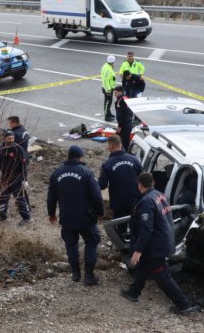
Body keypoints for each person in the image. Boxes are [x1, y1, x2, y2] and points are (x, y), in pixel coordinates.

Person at [120, 172, 201, 314]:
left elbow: (146, 228)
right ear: (153, 183)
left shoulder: (145, 202)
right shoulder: (160, 195)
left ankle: (183, 305)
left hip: (155, 246)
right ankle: (133, 293)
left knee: (162, 276)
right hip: (162, 241)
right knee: (142, 267)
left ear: (140, 185)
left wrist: (138, 251)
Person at [47, 145, 104, 285]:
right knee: (91, 242)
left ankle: (75, 273)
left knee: (71, 244)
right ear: (80, 157)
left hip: (66, 217)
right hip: (86, 217)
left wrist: (52, 214)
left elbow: (51, 197)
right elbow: (97, 196)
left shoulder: (57, 173)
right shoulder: (86, 172)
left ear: (68, 156)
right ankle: (89, 275)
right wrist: (101, 212)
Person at [98, 135, 142, 235]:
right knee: (135, 227)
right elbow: (143, 178)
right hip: (135, 201)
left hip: (118, 203)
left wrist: (90, 185)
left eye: (108, 146)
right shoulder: (134, 160)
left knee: (121, 228)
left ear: (111, 147)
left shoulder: (107, 164)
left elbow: (102, 184)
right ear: (121, 145)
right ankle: (136, 247)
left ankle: (123, 249)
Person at [0, 130, 31, 225]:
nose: (11, 140)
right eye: (9, 138)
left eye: (12, 138)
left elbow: (24, 164)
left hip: (16, 178)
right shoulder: (1, 148)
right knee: (2, 198)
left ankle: (27, 218)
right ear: (4, 138)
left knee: (19, 198)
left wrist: (24, 179)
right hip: (5, 178)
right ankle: (2, 216)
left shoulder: (18, 148)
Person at [114, 85, 135, 150]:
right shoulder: (126, 98)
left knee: (120, 141)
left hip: (124, 125)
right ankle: (127, 152)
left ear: (120, 92)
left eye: (116, 93)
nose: (114, 95)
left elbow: (121, 115)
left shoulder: (120, 101)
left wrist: (119, 126)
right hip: (129, 123)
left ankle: (122, 154)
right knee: (126, 141)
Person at [101, 55, 117, 122]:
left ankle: (109, 113)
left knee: (109, 102)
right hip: (108, 89)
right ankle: (106, 116)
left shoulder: (107, 66)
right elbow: (106, 80)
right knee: (107, 102)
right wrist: (108, 90)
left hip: (109, 88)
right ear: (112, 62)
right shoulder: (107, 68)